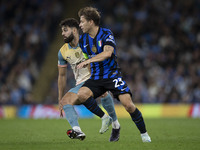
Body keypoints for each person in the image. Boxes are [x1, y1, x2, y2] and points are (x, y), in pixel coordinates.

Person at [77, 7, 151, 142]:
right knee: (81, 94)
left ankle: (144, 134)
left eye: (82, 21)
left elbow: (107, 53)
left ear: (91, 22)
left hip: (112, 75)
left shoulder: (106, 33)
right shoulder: (83, 41)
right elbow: (87, 61)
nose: (80, 25)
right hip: (97, 78)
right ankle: (106, 118)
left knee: (128, 105)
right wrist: (90, 74)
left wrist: (88, 60)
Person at [58, 18, 121, 141]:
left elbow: (101, 57)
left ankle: (115, 124)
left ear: (75, 30)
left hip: (95, 78)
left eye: (65, 30)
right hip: (80, 84)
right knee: (65, 102)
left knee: (104, 94)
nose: (62, 34)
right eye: (62, 31)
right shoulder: (62, 52)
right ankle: (77, 130)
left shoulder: (88, 41)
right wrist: (59, 98)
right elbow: (62, 76)